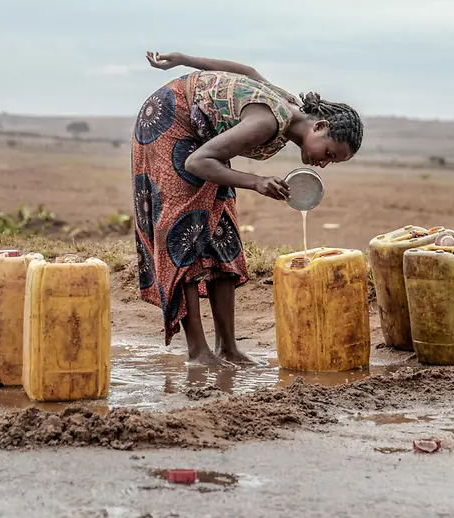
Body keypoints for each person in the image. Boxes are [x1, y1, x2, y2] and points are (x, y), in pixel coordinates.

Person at [132, 50, 364, 367]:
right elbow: (197, 162)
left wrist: (184, 60)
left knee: (223, 234)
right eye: (329, 153)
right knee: (183, 231)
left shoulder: (287, 107)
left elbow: (246, 71)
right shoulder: (268, 121)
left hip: (204, 136)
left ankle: (228, 347)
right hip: (171, 121)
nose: (323, 163)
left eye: (329, 162)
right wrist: (255, 182)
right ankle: (198, 352)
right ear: (320, 126)